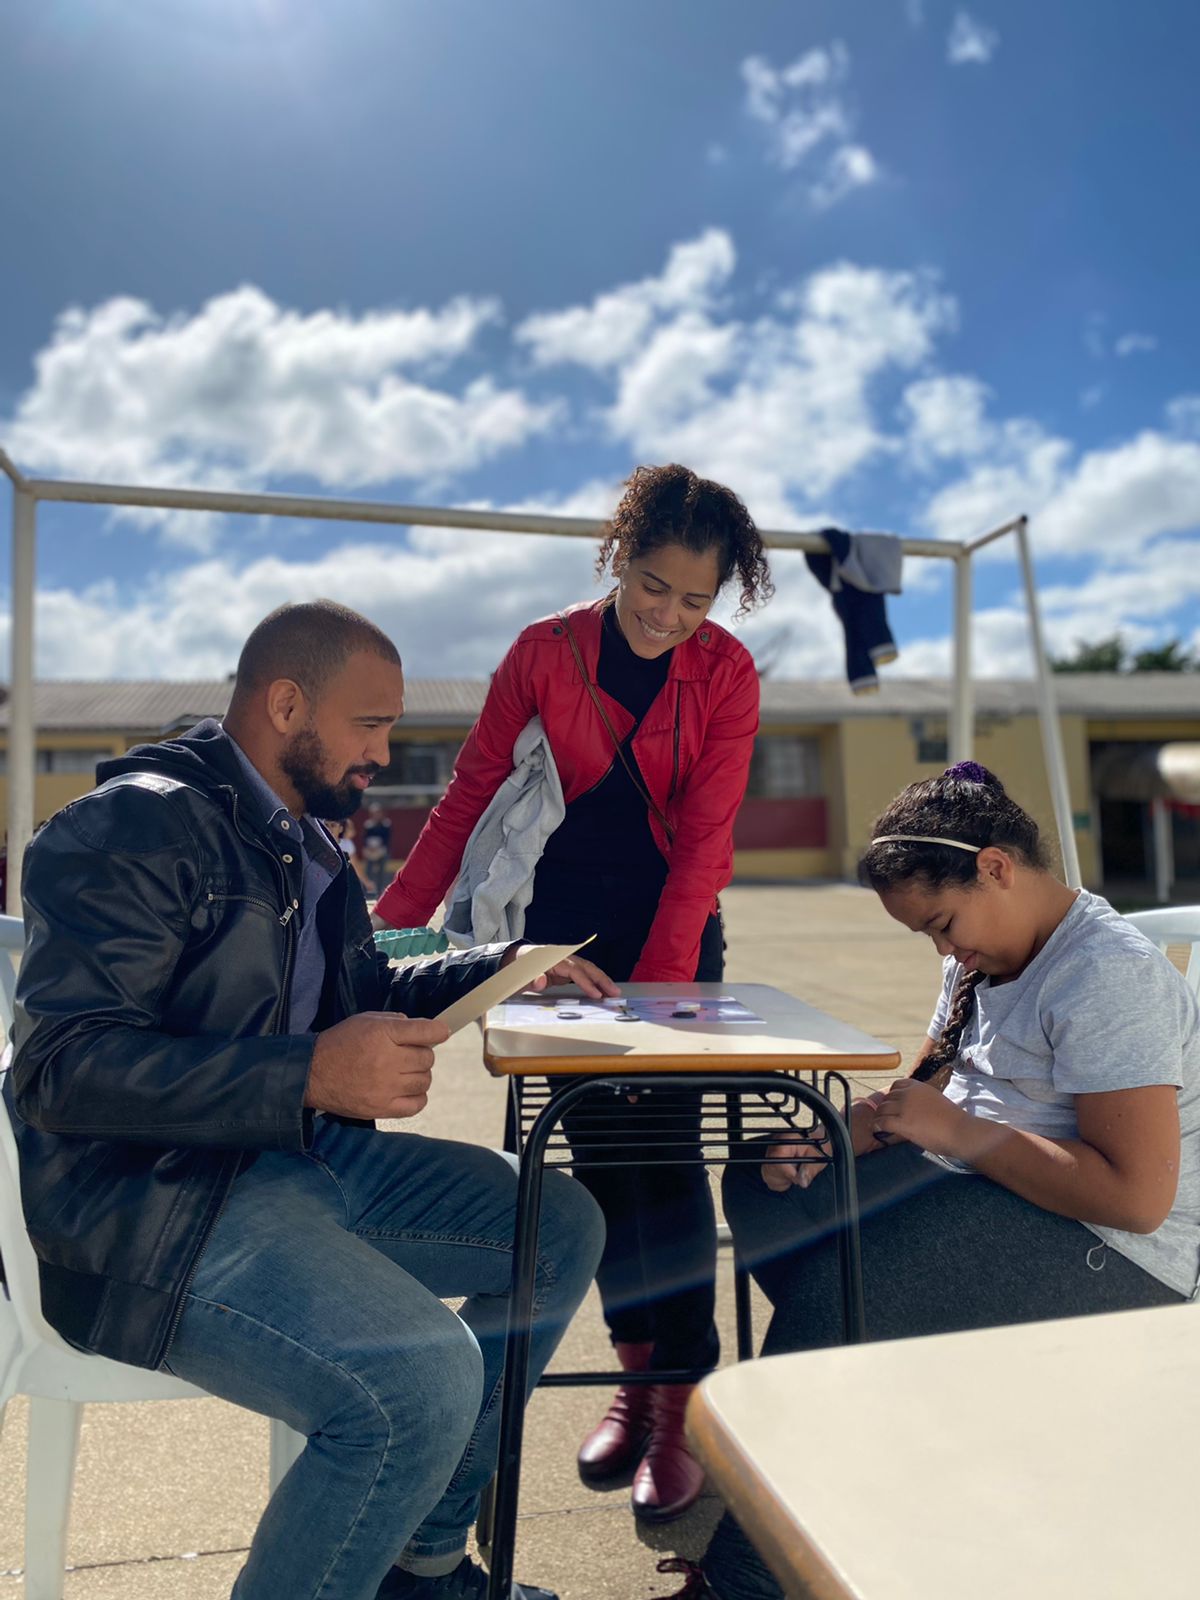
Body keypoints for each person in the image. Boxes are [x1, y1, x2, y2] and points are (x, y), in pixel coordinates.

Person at [7, 600, 613, 1600]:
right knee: (420, 1381)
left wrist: (500, 969)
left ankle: (420, 1566)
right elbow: (65, 1069)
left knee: (558, 1224)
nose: (384, 750)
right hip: (153, 1203)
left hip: (300, 1158)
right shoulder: (133, 824)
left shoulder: (307, 841)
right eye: (370, 724)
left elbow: (362, 989)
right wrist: (309, 1075)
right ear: (287, 703)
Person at [657, 760, 1200, 1599]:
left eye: (944, 924)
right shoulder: (984, 957)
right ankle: (869, 1419)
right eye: (929, 938)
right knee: (768, 1180)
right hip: (991, 1195)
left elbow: (1135, 1200)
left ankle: (749, 1577)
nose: (946, 949)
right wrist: (853, 1130)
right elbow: (938, 1083)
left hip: (1125, 1261)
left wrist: (955, 1133)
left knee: (858, 1282)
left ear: (996, 866)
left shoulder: (1106, 975)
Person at [375, 463, 774, 1523]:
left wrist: (663, 1000)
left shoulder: (727, 674)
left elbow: (703, 847)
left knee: (665, 1155)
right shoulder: (543, 653)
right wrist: (384, 935)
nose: (669, 616)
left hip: (672, 937)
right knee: (594, 1164)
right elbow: (468, 798)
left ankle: (680, 1396)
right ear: (618, 557)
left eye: (696, 601)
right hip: (551, 942)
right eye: (653, 586)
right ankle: (635, 1377)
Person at [361, 800, 394, 899]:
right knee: (368, 872)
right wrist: (370, 848)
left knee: (381, 873)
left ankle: (380, 893)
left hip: (382, 851)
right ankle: (367, 893)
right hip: (370, 852)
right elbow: (365, 839)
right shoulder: (368, 825)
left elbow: (387, 840)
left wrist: (378, 848)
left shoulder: (386, 824)